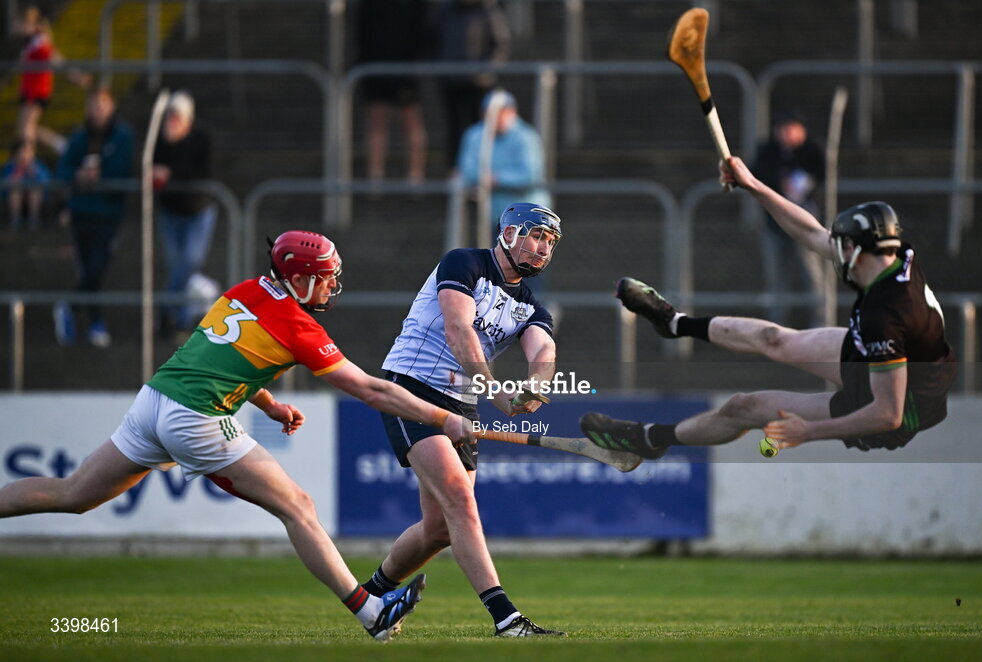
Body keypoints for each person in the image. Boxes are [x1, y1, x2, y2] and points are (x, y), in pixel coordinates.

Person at [0, 230, 479, 641]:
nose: (333, 284)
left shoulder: (246, 290)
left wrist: (269, 404)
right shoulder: (299, 326)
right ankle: (370, 611)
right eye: (327, 276)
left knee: (75, 494)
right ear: (299, 279)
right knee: (298, 507)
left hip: (154, 401)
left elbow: (225, 358)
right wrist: (443, 419)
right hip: (196, 416)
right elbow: (373, 390)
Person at [581, 156, 956, 455]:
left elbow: (887, 415)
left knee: (746, 406)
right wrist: (754, 186)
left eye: (841, 246)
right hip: (894, 362)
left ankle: (648, 439)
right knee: (775, 338)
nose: (834, 250)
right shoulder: (891, 255)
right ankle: (674, 323)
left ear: (858, 251)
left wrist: (808, 431)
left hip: (899, 407)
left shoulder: (885, 316)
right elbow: (811, 234)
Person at [365, 203, 566, 637]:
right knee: (460, 499)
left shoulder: (531, 306)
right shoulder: (464, 262)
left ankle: (370, 597)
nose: (543, 248)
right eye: (536, 236)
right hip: (412, 387)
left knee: (439, 528)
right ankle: (506, 618)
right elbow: (458, 329)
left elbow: (543, 352)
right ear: (508, 233)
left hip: (462, 404)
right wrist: (496, 391)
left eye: (550, 242)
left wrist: (534, 386)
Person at [53, 87, 134, 348]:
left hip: (108, 213)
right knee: (88, 269)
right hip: (82, 212)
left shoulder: (122, 137)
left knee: (97, 267)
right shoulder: (80, 137)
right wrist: (79, 176)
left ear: (112, 106)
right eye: (93, 105)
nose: (98, 111)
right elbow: (63, 169)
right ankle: (96, 322)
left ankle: (70, 306)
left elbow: (124, 171)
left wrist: (101, 177)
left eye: (103, 105)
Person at [751, 109, 826, 327]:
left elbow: (820, 174)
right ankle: (777, 320)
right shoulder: (767, 151)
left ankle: (820, 319)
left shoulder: (812, 150)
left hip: (805, 226)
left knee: (811, 271)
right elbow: (758, 174)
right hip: (773, 224)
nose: (786, 134)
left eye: (791, 129)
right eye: (782, 130)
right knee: (775, 274)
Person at [153, 91, 218, 340]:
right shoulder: (161, 141)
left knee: (190, 260)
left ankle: (166, 311)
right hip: (171, 211)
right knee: (176, 264)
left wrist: (172, 171)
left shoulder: (201, 139)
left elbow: (204, 172)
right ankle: (178, 318)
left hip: (197, 210)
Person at [457, 89, 550, 230]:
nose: (495, 118)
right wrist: (483, 178)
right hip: (492, 218)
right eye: (490, 113)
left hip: (528, 219)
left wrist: (497, 179)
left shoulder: (526, 136)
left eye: (501, 112)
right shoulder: (475, 135)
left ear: (512, 112)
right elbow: (467, 169)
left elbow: (530, 175)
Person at [357, 0, 429, 184]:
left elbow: (422, 28)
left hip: (406, 66)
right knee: (377, 120)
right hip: (375, 63)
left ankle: (415, 177)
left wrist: (415, 62)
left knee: (410, 120)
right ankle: (375, 178)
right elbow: (362, 29)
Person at [435, 0, 511, 169]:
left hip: (479, 85)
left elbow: (500, 46)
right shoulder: (446, 11)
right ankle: (455, 174)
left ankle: (481, 172)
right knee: (454, 131)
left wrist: (484, 73)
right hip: (451, 81)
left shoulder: (489, 10)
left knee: (481, 131)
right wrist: (442, 68)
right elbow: (434, 40)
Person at [15, 5, 89, 152]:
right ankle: (59, 145)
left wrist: (76, 75)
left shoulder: (40, 41)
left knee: (27, 128)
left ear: (33, 24)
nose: (21, 26)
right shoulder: (29, 42)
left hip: (37, 90)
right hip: (28, 89)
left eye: (25, 23)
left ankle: (30, 159)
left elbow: (55, 59)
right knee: (25, 128)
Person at [2, 138, 51, 231]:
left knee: (35, 192)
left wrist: (35, 174)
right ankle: (15, 220)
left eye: (28, 152)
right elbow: (4, 183)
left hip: (36, 200)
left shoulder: (38, 166)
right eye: (22, 153)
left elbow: (46, 182)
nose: (25, 156)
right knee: (15, 192)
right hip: (13, 200)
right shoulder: (9, 167)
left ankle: (34, 220)